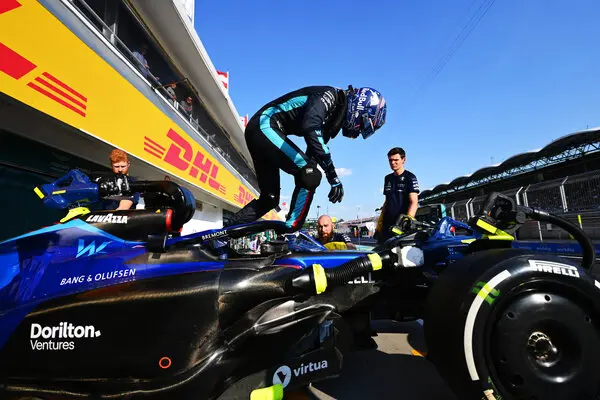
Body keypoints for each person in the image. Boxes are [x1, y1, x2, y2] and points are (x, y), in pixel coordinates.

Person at [224, 85, 387, 230]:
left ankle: (222, 235)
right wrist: (332, 176)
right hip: (263, 125)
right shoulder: (329, 96)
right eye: (363, 124)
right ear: (359, 107)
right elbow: (310, 126)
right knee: (311, 174)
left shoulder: (330, 122)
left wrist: (321, 174)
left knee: (270, 199)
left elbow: (313, 158)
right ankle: (291, 231)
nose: (358, 132)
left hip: (261, 132)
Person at [375, 147, 420, 244]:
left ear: (404, 160)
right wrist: (379, 223)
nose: (393, 163)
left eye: (396, 160)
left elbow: (414, 202)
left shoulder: (410, 177)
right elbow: (387, 201)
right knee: (380, 251)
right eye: (390, 160)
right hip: (387, 225)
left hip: (400, 226)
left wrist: (406, 224)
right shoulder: (388, 178)